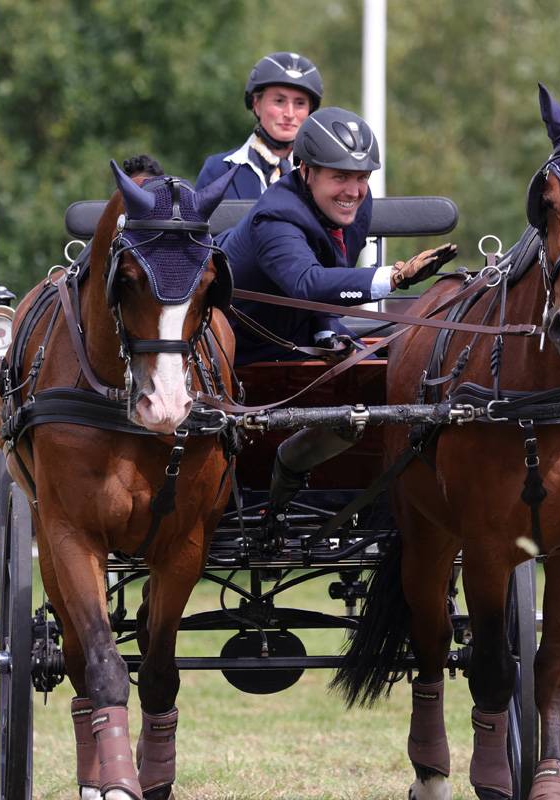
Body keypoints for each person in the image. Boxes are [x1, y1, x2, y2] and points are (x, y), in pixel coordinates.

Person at [216, 107, 457, 531]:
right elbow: (306, 283)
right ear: (305, 170)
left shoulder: (354, 210)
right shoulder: (277, 216)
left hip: (297, 340)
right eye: (340, 177)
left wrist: (329, 329)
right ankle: (278, 487)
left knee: (389, 384)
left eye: (362, 177)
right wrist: (395, 277)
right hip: (236, 356)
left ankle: (394, 499)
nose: (354, 190)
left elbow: (328, 271)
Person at [196, 52, 323, 201]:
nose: (289, 113)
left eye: (300, 103)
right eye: (279, 101)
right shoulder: (217, 171)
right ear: (256, 104)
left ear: (310, 110)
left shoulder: (323, 175)